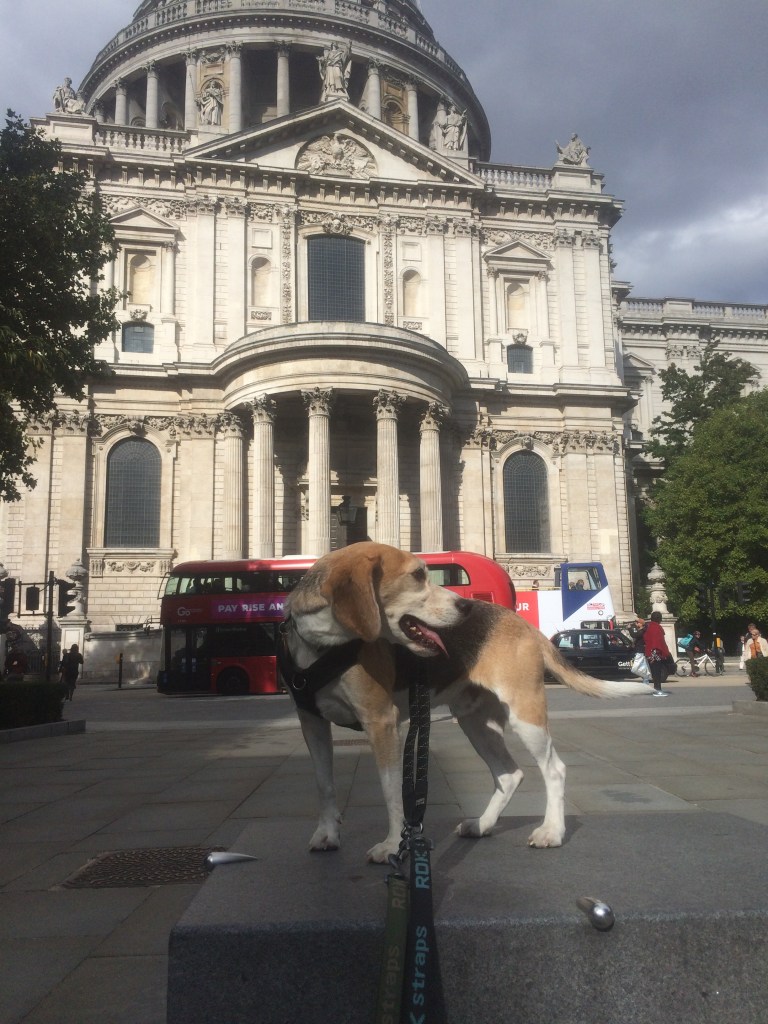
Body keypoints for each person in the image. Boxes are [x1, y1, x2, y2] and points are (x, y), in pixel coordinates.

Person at [643, 611, 672, 696]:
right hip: (656, 653)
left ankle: (656, 688)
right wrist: (665, 652)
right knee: (657, 672)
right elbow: (660, 641)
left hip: (649, 652)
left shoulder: (648, 626)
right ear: (659, 619)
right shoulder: (657, 628)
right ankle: (657, 689)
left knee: (654, 672)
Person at [629, 616, 652, 686]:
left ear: (641, 624)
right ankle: (646, 681)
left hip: (640, 651)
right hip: (640, 651)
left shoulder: (642, 631)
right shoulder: (641, 630)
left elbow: (634, 635)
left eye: (637, 622)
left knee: (634, 669)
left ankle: (646, 677)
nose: (636, 623)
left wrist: (629, 628)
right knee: (644, 667)